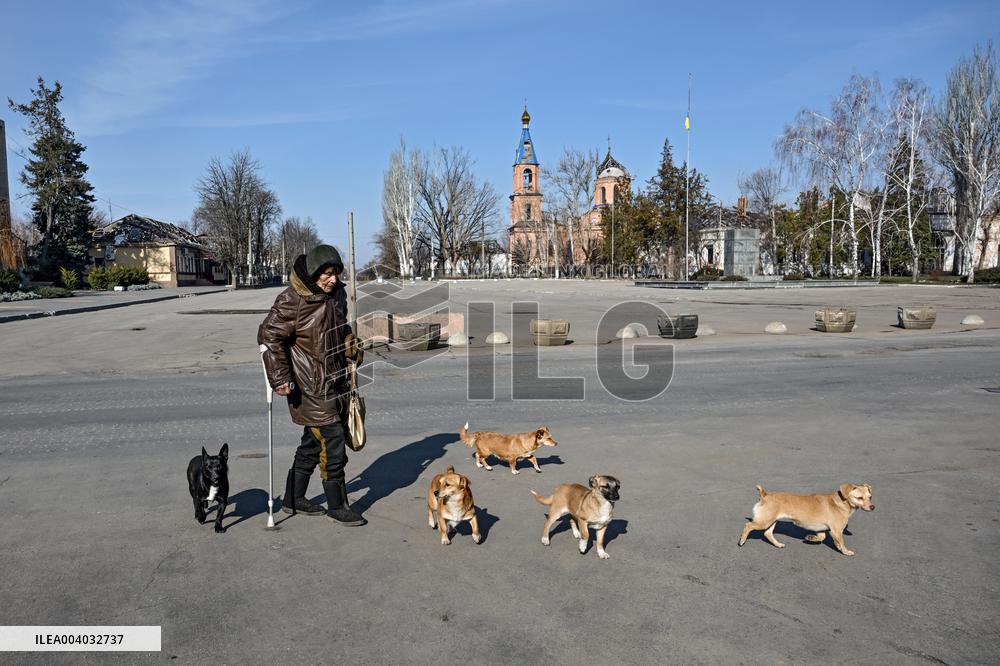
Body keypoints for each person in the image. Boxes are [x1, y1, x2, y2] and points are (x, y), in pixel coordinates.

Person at [257, 244, 365, 526]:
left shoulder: (337, 294)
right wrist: (280, 378)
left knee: (312, 442)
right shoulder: (293, 299)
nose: (332, 279)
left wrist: (350, 343)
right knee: (334, 441)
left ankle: (293, 499)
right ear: (314, 273)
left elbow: (340, 327)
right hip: (308, 385)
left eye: (336, 273)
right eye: (326, 274)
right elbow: (269, 337)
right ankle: (337, 505)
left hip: (335, 380)